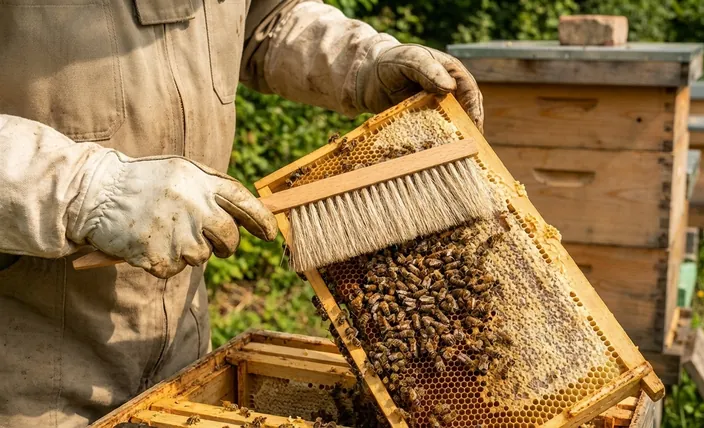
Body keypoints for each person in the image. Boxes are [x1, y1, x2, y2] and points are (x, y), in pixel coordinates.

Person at [0, 1, 483, 426]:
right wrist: (90, 190)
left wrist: (363, 62)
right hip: (27, 366)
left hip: (181, 348)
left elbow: (264, 18)